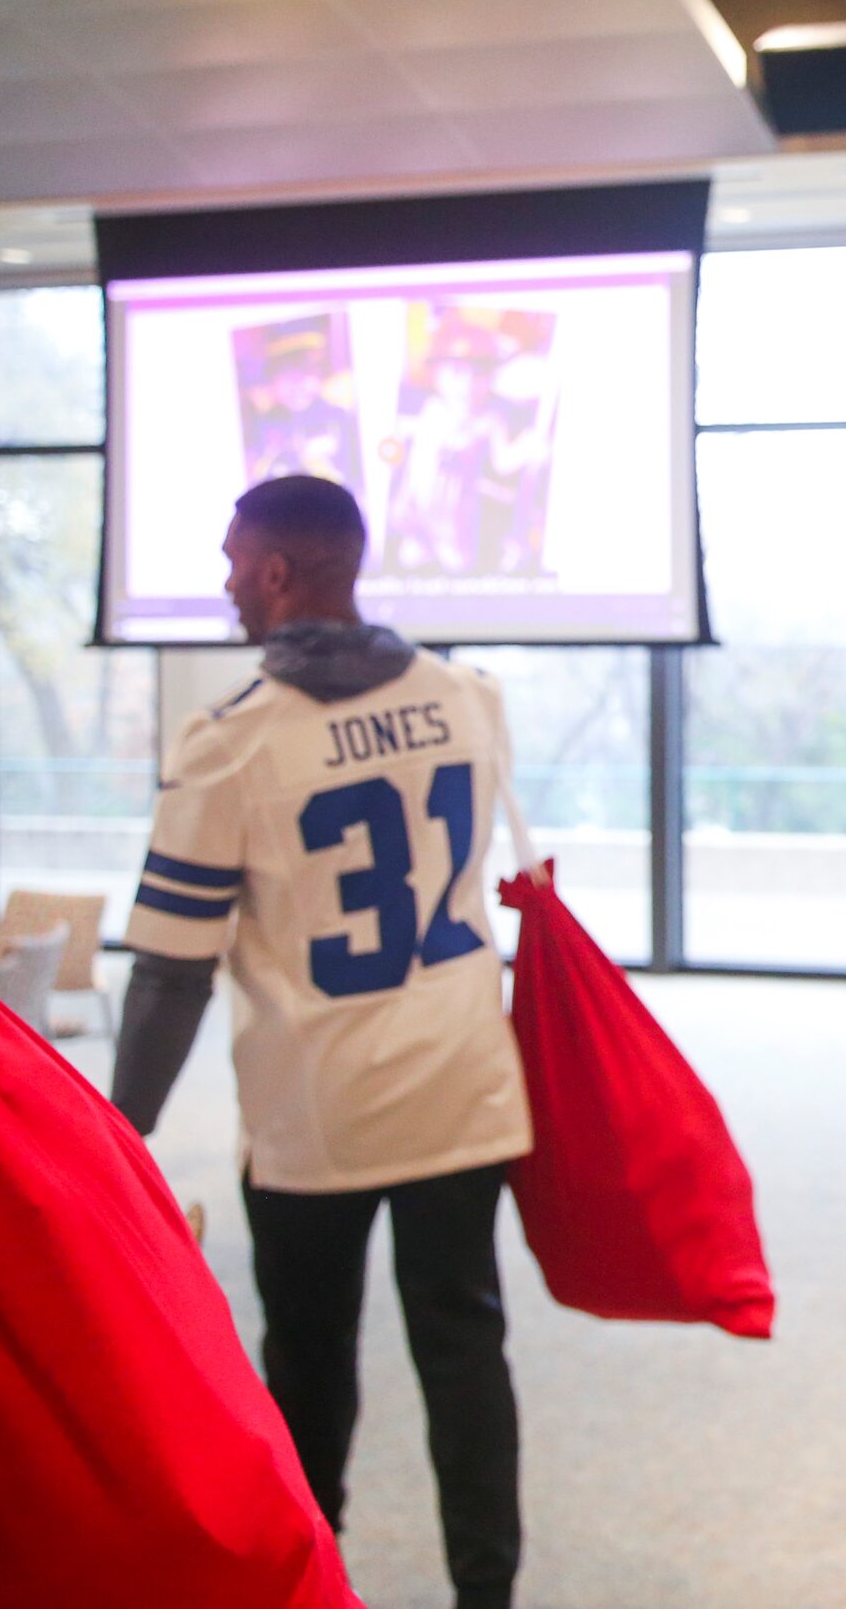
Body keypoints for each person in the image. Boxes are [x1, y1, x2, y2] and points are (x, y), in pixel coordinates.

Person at [113, 473, 529, 1609]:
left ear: (279, 572)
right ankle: (486, 1596)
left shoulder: (231, 744)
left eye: (233, 561)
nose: (226, 584)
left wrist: (118, 1131)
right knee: (465, 1346)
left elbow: (169, 969)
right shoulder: (466, 695)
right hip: (461, 1084)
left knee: (308, 1365)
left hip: (319, 1112)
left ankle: (313, 1583)